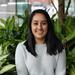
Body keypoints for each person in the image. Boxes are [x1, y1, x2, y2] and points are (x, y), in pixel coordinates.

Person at [15, 9, 66, 75]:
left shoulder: (59, 48)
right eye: (35, 23)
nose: (39, 27)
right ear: (30, 26)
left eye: (44, 23)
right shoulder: (22, 48)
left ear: (48, 25)